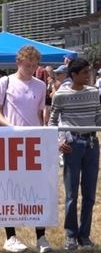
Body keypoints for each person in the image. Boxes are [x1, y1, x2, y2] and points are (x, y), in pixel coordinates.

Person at [0, 45, 52, 253]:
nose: (31, 69)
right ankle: (11, 236)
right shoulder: (5, 81)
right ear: (18, 63)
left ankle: (41, 236)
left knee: (37, 188)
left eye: (34, 65)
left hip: (33, 142)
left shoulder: (40, 85)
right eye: (27, 65)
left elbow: (42, 113)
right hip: (10, 141)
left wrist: (44, 132)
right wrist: (10, 127)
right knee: (10, 188)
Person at [49, 57, 101, 251]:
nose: (89, 75)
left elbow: (97, 117)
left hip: (92, 144)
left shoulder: (94, 92)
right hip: (72, 145)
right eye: (85, 72)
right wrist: (58, 141)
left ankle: (84, 235)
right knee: (71, 194)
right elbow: (53, 121)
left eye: (89, 72)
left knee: (89, 194)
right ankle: (70, 235)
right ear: (73, 75)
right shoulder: (60, 95)